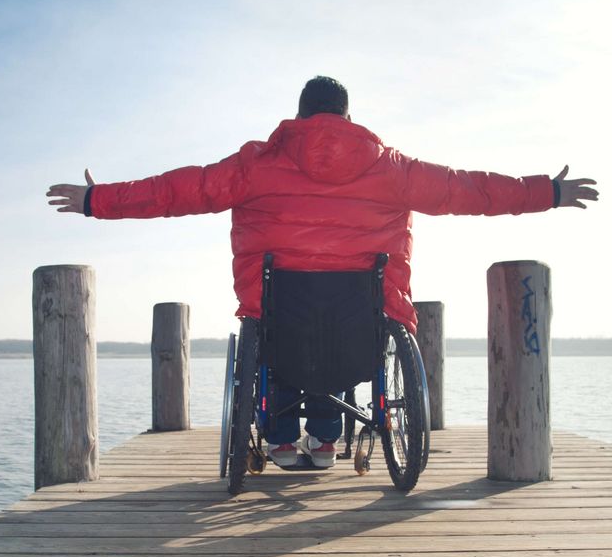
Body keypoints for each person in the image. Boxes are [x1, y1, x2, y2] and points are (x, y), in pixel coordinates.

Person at [47, 76, 598, 468]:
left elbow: (173, 191)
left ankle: (282, 441)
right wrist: (545, 191)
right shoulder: (393, 169)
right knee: (345, 333)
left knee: (281, 331)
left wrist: (98, 200)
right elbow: (469, 190)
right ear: (348, 117)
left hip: (278, 310)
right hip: (363, 317)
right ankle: (328, 439)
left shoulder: (255, 164)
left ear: (300, 115)